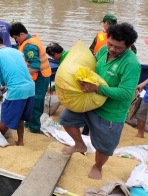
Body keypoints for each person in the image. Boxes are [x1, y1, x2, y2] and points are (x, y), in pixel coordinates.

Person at [60, 23, 140, 180]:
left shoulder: (131, 64)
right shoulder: (103, 50)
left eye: (117, 47)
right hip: (92, 103)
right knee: (66, 119)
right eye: (110, 43)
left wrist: (97, 89)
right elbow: (92, 69)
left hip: (111, 112)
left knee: (104, 147)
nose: (111, 49)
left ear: (129, 46)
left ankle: (97, 166)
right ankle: (79, 144)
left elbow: (126, 93)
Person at [0, 33, 35, 146]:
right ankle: (20, 141)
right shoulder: (17, 52)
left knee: (6, 118)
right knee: (20, 118)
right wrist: (6, 86)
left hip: (17, 91)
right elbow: (17, 71)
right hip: (30, 88)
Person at [10, 22, 52, 133]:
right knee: (32, 100)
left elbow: (35, 67)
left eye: (16, 38)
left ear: (21, 34)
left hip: (40, 78)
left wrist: (20, 77)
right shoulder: (32, 38)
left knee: (36, 102)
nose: (16, 41)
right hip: (41, 76)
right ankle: (30, 122)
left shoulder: (29, 46)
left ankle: (34, 127)